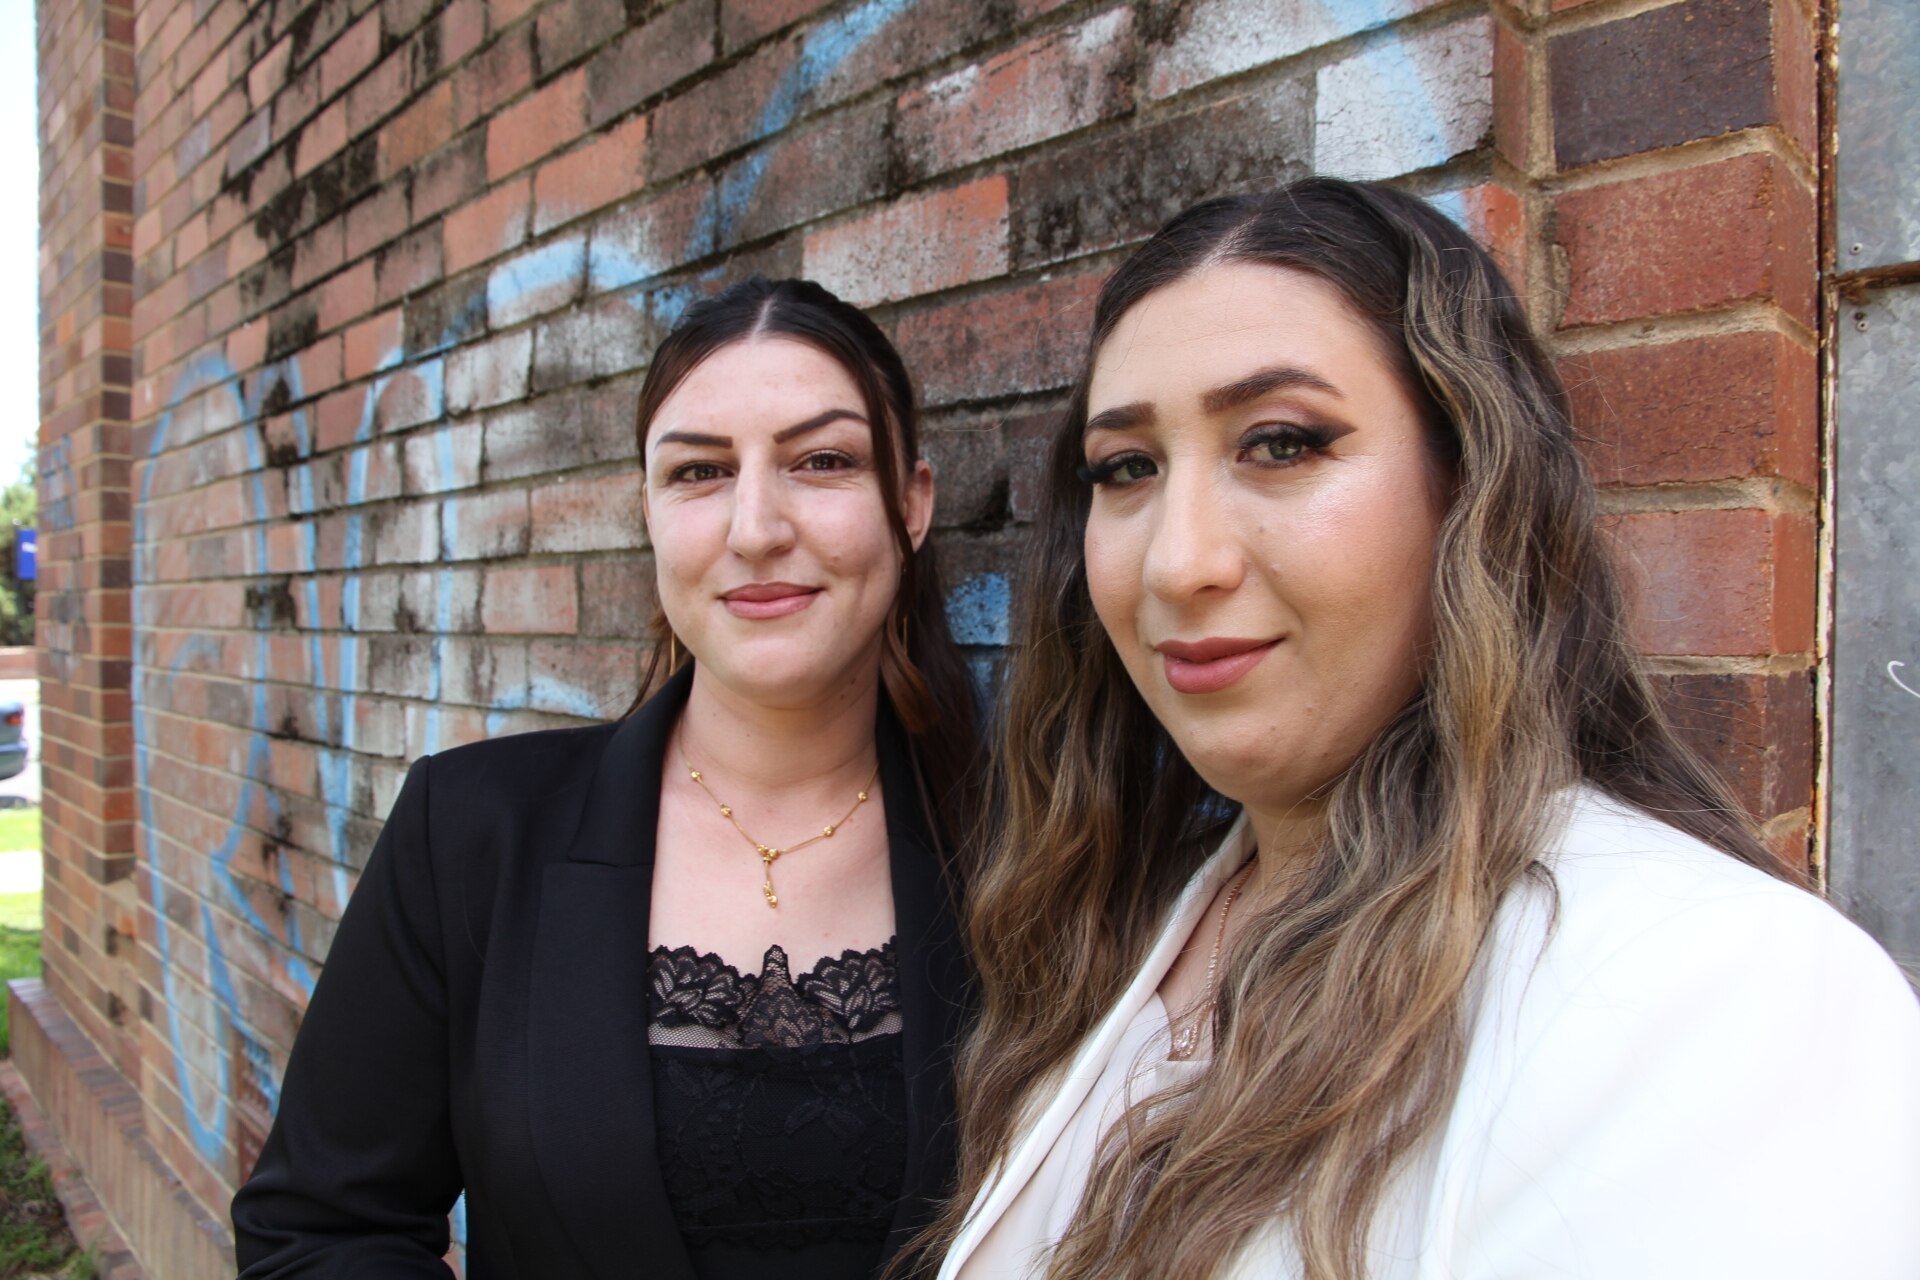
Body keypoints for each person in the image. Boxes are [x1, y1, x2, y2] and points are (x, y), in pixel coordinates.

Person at [927, 181, 1920, 1280]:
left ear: (1473, 487)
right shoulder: (1130, 923)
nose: (1176, 560)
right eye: (1127, 468)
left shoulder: (1724, 996)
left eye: (1282, 442)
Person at [232, 277, 982, 1279]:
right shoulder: (470, 831)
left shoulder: (1036, 844)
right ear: (650, 513)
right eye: (699, 472)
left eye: (824, 460)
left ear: (913, 502)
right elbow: (316, 1232)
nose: (754, 525)